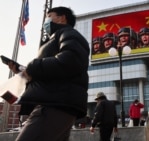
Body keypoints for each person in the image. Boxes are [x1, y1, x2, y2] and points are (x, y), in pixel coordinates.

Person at [7, 7, 90, 141]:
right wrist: (24, 72)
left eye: (49, 16)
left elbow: (70, 61)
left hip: (54, 105)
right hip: (57, 102)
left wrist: (33, 66)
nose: (46, 20)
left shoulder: (68, 33)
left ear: (62, 18)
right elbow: (52, 72)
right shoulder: (57, 37)